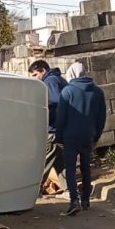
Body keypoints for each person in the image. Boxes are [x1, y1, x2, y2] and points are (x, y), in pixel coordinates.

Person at [54, 62, 107, 216]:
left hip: (70, 137)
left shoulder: (67, 91)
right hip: (88, 136)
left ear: (71, 73)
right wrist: (96, 137)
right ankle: (85, 200)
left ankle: (74, 200)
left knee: (70, 169)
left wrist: (59, 138)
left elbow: (61, 117)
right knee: (86, 166)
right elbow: (101, 117)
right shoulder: (98, 92)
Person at [28, 60, 70, 195]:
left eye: (35, 75)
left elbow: (55, 100)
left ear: (43, 71)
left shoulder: (50, 81)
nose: (34, 78)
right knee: (60, 161)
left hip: (53, 130)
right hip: (63, 129)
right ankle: (69, 188)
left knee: (43, 161)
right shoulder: (58, 79)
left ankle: (31, 190)